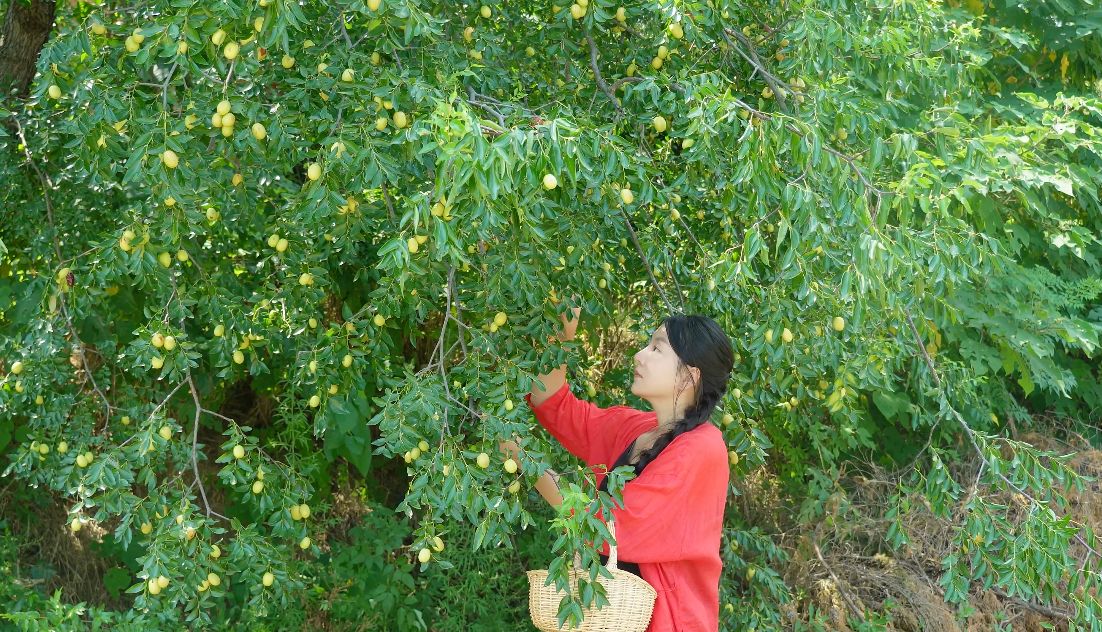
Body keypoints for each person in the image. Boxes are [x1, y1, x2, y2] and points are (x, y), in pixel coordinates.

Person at [500, 298, 734, 632]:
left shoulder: (702, 449)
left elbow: (609, 527)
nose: (639, 355)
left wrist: (526, 461)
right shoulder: (636, 429)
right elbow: (553, 405)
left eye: (656, 349)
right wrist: (562, 333)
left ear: (689, 376)